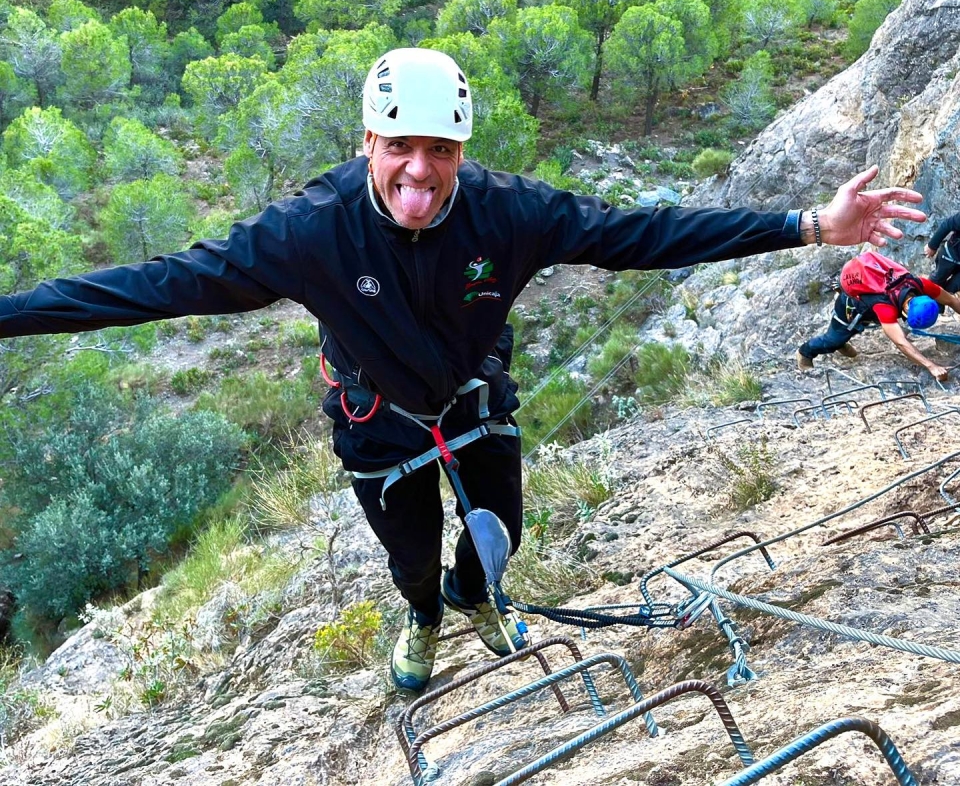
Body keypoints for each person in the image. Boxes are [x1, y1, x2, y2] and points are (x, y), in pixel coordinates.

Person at [0, 48, 929, 693]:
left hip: (475, 402)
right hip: (376, 420)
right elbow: (160, 285)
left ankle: (473, 596)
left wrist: (810, 225)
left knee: (498, 537)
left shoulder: (507, 214)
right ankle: (425, 616)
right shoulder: (308, 232)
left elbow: (643, 234)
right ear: (368, 144)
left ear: (461, 153)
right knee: (409, 559)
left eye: (439, 151)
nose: (419, 170)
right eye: (399, 148)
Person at [797, 249, 960, 381]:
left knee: (845, 339)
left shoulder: (921, 284)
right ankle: (805, 352)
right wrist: (931, 366)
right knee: (833, 340)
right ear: (905, 311)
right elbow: (900, 342)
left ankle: (842, 341)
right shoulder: (885, 307)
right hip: (852, 307)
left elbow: (952, 300)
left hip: (872, 302)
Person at [924, 211, 960, 294]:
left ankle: (943, 298)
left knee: (952, 289)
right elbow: (947, 224)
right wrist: (932, 246)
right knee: (936, 282)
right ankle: (927, 297)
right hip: (949, 255)